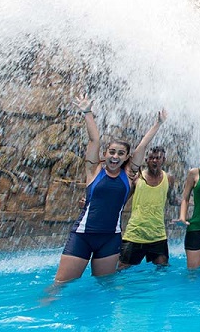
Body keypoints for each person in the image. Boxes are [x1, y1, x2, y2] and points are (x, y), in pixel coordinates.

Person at [53, 94, 166, 283]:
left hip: (110, 238)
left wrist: (158, 123)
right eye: (111, 152)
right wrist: (87, 112)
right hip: (82, 235)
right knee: (60, 285)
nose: (115, 156)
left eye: (121, 154)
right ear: (105, 155)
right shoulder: (94, 170)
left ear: (126, 157)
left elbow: (142, 146)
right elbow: (93, 140)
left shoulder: (128, 175)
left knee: (104, 287)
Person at [118, 146, 178, 270]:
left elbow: (173, 200)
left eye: (158, 158)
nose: (155, 161)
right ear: (146, 160)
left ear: (163, 160)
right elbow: (122, 201)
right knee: (121, 268)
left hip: (157, 234)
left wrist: (194, 201)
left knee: (163, 268)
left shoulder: (169, 179)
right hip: (135, 233)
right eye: (151, 158)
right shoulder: (137, 178)